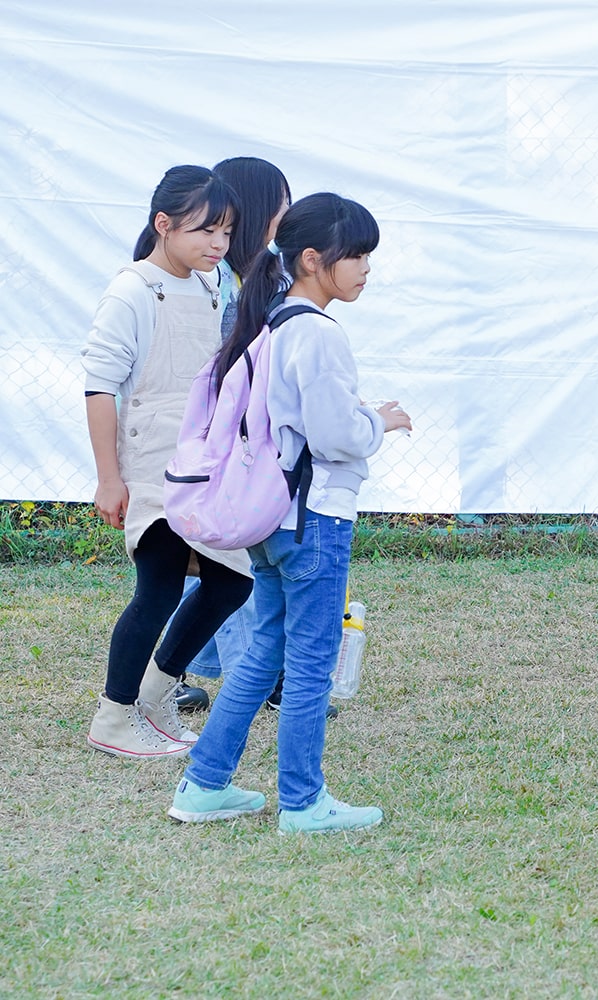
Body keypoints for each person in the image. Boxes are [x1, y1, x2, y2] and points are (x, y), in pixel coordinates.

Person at [165, 192, 412, 833]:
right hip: (316, 519)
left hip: (271, 518)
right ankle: (303, 802)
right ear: (312, 259)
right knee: (310, 660)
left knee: (265, 651)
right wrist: (379, 422)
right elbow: (337, 436)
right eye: (355, 255)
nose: (365, 268)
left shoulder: (270, 322)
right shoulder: (318, 334)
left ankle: (203, 785)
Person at [81, 165, 253, 760]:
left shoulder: (212, 285)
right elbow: (100, 387)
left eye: (227, 233)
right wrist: (109, 478)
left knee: (231, 578)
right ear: (164, 224)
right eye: (208, 231)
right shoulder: (131, 290)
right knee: (157, 587)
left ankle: (152, 695)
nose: (218, 245)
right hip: (153, 457)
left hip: (206, 456)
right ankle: (112, 718)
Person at [168, 156, 294, 712]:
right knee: (222, 555)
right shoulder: (220, 284)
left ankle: (186, 669)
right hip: (214, 443)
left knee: (211, 554)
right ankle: (256, 677)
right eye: (282, 207)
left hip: (230, 442)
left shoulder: (257, 276)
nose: (287, 219)